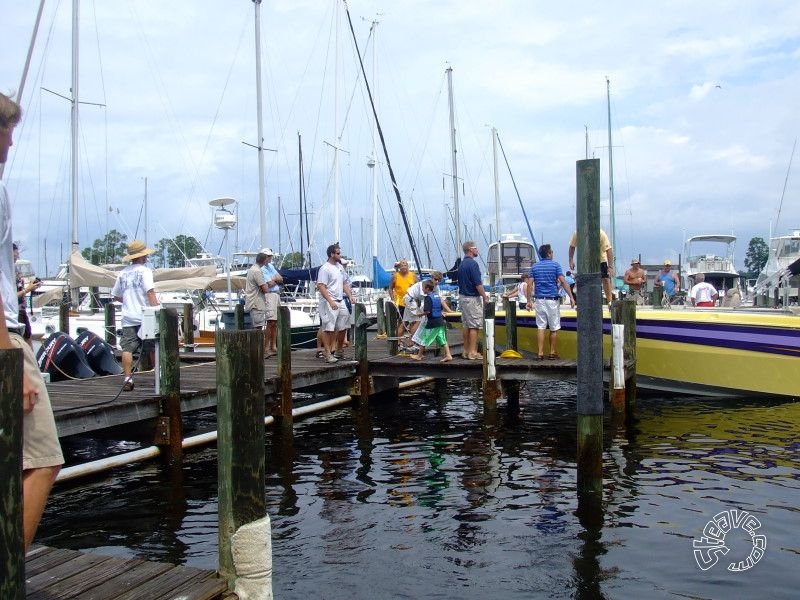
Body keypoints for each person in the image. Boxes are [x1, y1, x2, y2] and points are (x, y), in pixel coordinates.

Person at [0, 91, 63, 551]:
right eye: (8, 132)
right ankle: (9, 571)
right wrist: (8, 350)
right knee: (43, 459)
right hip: (4, 342)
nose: (11, 145)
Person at [111, 240, 160, 390]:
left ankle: (127, 378)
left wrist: (127, 300)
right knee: (153, 346)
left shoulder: (123, 273)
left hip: (128, 316)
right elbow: (150, 292)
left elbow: (115, 295)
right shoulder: (145, 271)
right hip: (145, 315)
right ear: (142, 257)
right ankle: (158, 376)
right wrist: (157, 310)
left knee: (127, 348)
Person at [530, 243, 576, 359]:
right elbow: (563, 281)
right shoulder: (555, 266)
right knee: (554, 328)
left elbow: (529, 284)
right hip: (552, 300)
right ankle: (552, 352)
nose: (553, 254)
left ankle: (540, 353)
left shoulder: (534, 267)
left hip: (539, 300)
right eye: (552, 252)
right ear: (549, 253)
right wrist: (571, 296)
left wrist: (528, 300)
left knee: (540, 327)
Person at [317, 243, 354, 363]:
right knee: (329, 328)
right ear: (331, 254)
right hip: (329, 300)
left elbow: (344, 283)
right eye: (337, 253)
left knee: (344, 325)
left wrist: (350, 296)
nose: (340, 255)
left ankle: (338, 350)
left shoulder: (339, 267)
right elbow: (321, 286)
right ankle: (328, 353)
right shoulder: (325, 268)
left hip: (340, 300)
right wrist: (330, 301)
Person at [457, 241, 490, 360]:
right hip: (471, 298)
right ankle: (472, 352)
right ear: (471, 249)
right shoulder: (473, 264)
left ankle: (465, 351)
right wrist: (484, 297)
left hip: (462, 297)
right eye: (476, 248)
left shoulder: (461, 264)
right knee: (474, 326)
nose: (477, 250)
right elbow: (478, 283)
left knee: (466, 325)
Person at [409, 280, 453, 362]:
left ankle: (419, 356)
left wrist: (420, 314)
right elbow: (439, 308)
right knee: (441, 338)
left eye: (423, 288)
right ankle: (448, 355)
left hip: (432, 322)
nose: (422, 290)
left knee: (424, 338)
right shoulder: (437, 296)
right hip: (440, 320)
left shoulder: (428, 298)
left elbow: (427, 311)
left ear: (427, 288)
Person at [568, 228, 613, 304]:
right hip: (585, 260)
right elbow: (572, 246)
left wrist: (610, 266)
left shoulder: (601, 233)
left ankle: (610, 300)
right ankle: (582, 301)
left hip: (600, 259)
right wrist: (571, 260)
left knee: (605, 278)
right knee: (583, 279)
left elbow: (608, 249)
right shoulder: (578, 232)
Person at [403, 270, 444, 352]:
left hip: (413, 300)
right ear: (432, 277)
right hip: (410, 299)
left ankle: (411, 342)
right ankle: (412, 343)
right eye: (435, 279)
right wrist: (424, 313)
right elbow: (425, 301)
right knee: (418, 321)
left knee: (412, 321)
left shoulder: (435, 287)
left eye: (439, 280)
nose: (437, 282)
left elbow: (438, 299)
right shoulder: (426, 284)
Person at [245, 251, 275, 354]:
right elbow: (265, 288)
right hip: (256, 302)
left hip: (252, 302)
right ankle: (257, 351)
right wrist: (271, 282)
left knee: (256, 327)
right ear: (265, 260)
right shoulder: (257, 271)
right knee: (258, 328)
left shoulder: (251, 269)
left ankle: (256, 350)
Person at [14, 242, 41, 347]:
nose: (18, 256)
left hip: (21, 310)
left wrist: (31, 286)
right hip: (15, 311)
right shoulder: (6, 272)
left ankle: (31, 362)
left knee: (28, 336)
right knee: (22, 339)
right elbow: (10, 297)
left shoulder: (15, 269)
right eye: (16, 253)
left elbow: (18, 289)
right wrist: (27, 290)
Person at [259, 247, 283, 356]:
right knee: (270, 322)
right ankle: (267, 346)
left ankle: (274, 345)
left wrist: (274, 279)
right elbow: (270, 283)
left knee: (275, 322)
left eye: (270, 256)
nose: (270, 258)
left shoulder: (271, 266)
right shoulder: (262, 269)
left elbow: (280, 278)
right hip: (269, 295)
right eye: (268, 256)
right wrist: (274, 279)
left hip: (276, 294)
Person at [388, 259, 417, 343]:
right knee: (402, 323)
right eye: (402, 265)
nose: (404, 267)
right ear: (399, 267)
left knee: (414, 322)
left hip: (412, 302)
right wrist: (392, 298)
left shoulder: (413, 275)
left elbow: (419, 286)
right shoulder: (395, 276)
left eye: (405, 265)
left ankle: (412, 341)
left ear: (408, 266)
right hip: (401, 302)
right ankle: (398, 341)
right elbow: (390, 288)